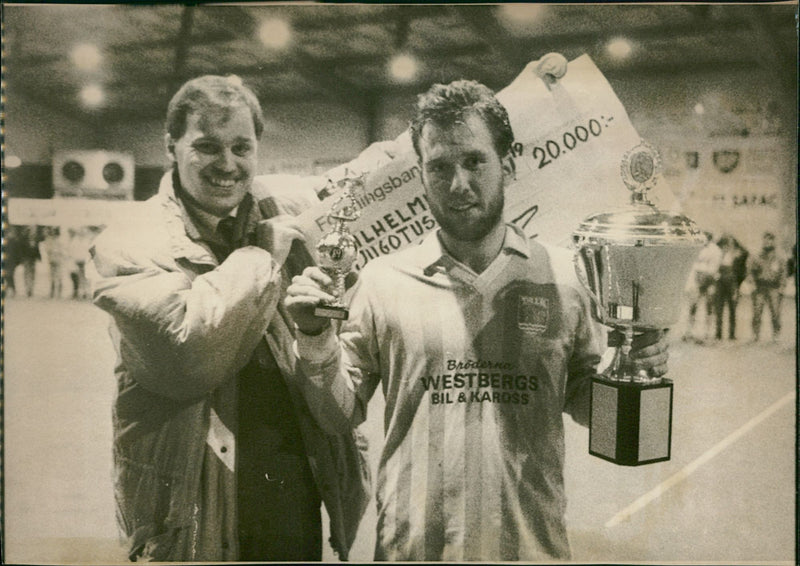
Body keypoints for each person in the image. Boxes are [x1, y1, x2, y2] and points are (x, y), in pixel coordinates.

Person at [285, 80, 669, 561]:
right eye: (440, 167)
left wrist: (634, 371)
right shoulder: (384, 281)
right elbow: (336, 414)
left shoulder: (568, 278)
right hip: (413, 552)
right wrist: (315, 337)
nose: (458, 184)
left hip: (529, 550)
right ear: (421, 177)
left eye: (474, 161)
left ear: (507, 165)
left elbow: (592, 409)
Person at [88, 75, 392, 562]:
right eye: (206, 146)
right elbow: (189, 358)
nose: (227, 165)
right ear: (171, 145)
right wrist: (261, 255)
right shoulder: (129, 239)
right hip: (188, 500)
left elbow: (383, 176)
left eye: (241, 147)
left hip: (292, 484)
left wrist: (537, 103)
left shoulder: (285, 205)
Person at [748, 231, 786, 341]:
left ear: (773, 241)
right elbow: (750, 271)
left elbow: (784, 272)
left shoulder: (779, 256)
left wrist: (782, 287)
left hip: (774, 287)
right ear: (763, 241)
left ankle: (776, 334)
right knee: (757, 311)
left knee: (775, 312)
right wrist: (752, 283)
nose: (767, 242)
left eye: (770, 239)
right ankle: (755, 334)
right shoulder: (757, 256)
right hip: (760, 287)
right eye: (765, 239)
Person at [683, 231, 721, 342]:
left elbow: (714, 268)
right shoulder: (696, 248)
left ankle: (708, 333)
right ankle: (690, 332)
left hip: (709, 279)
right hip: (696, 280)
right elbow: (692, 266)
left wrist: (707, 277)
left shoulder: (715, 250)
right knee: (693, 307)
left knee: (709, 306)